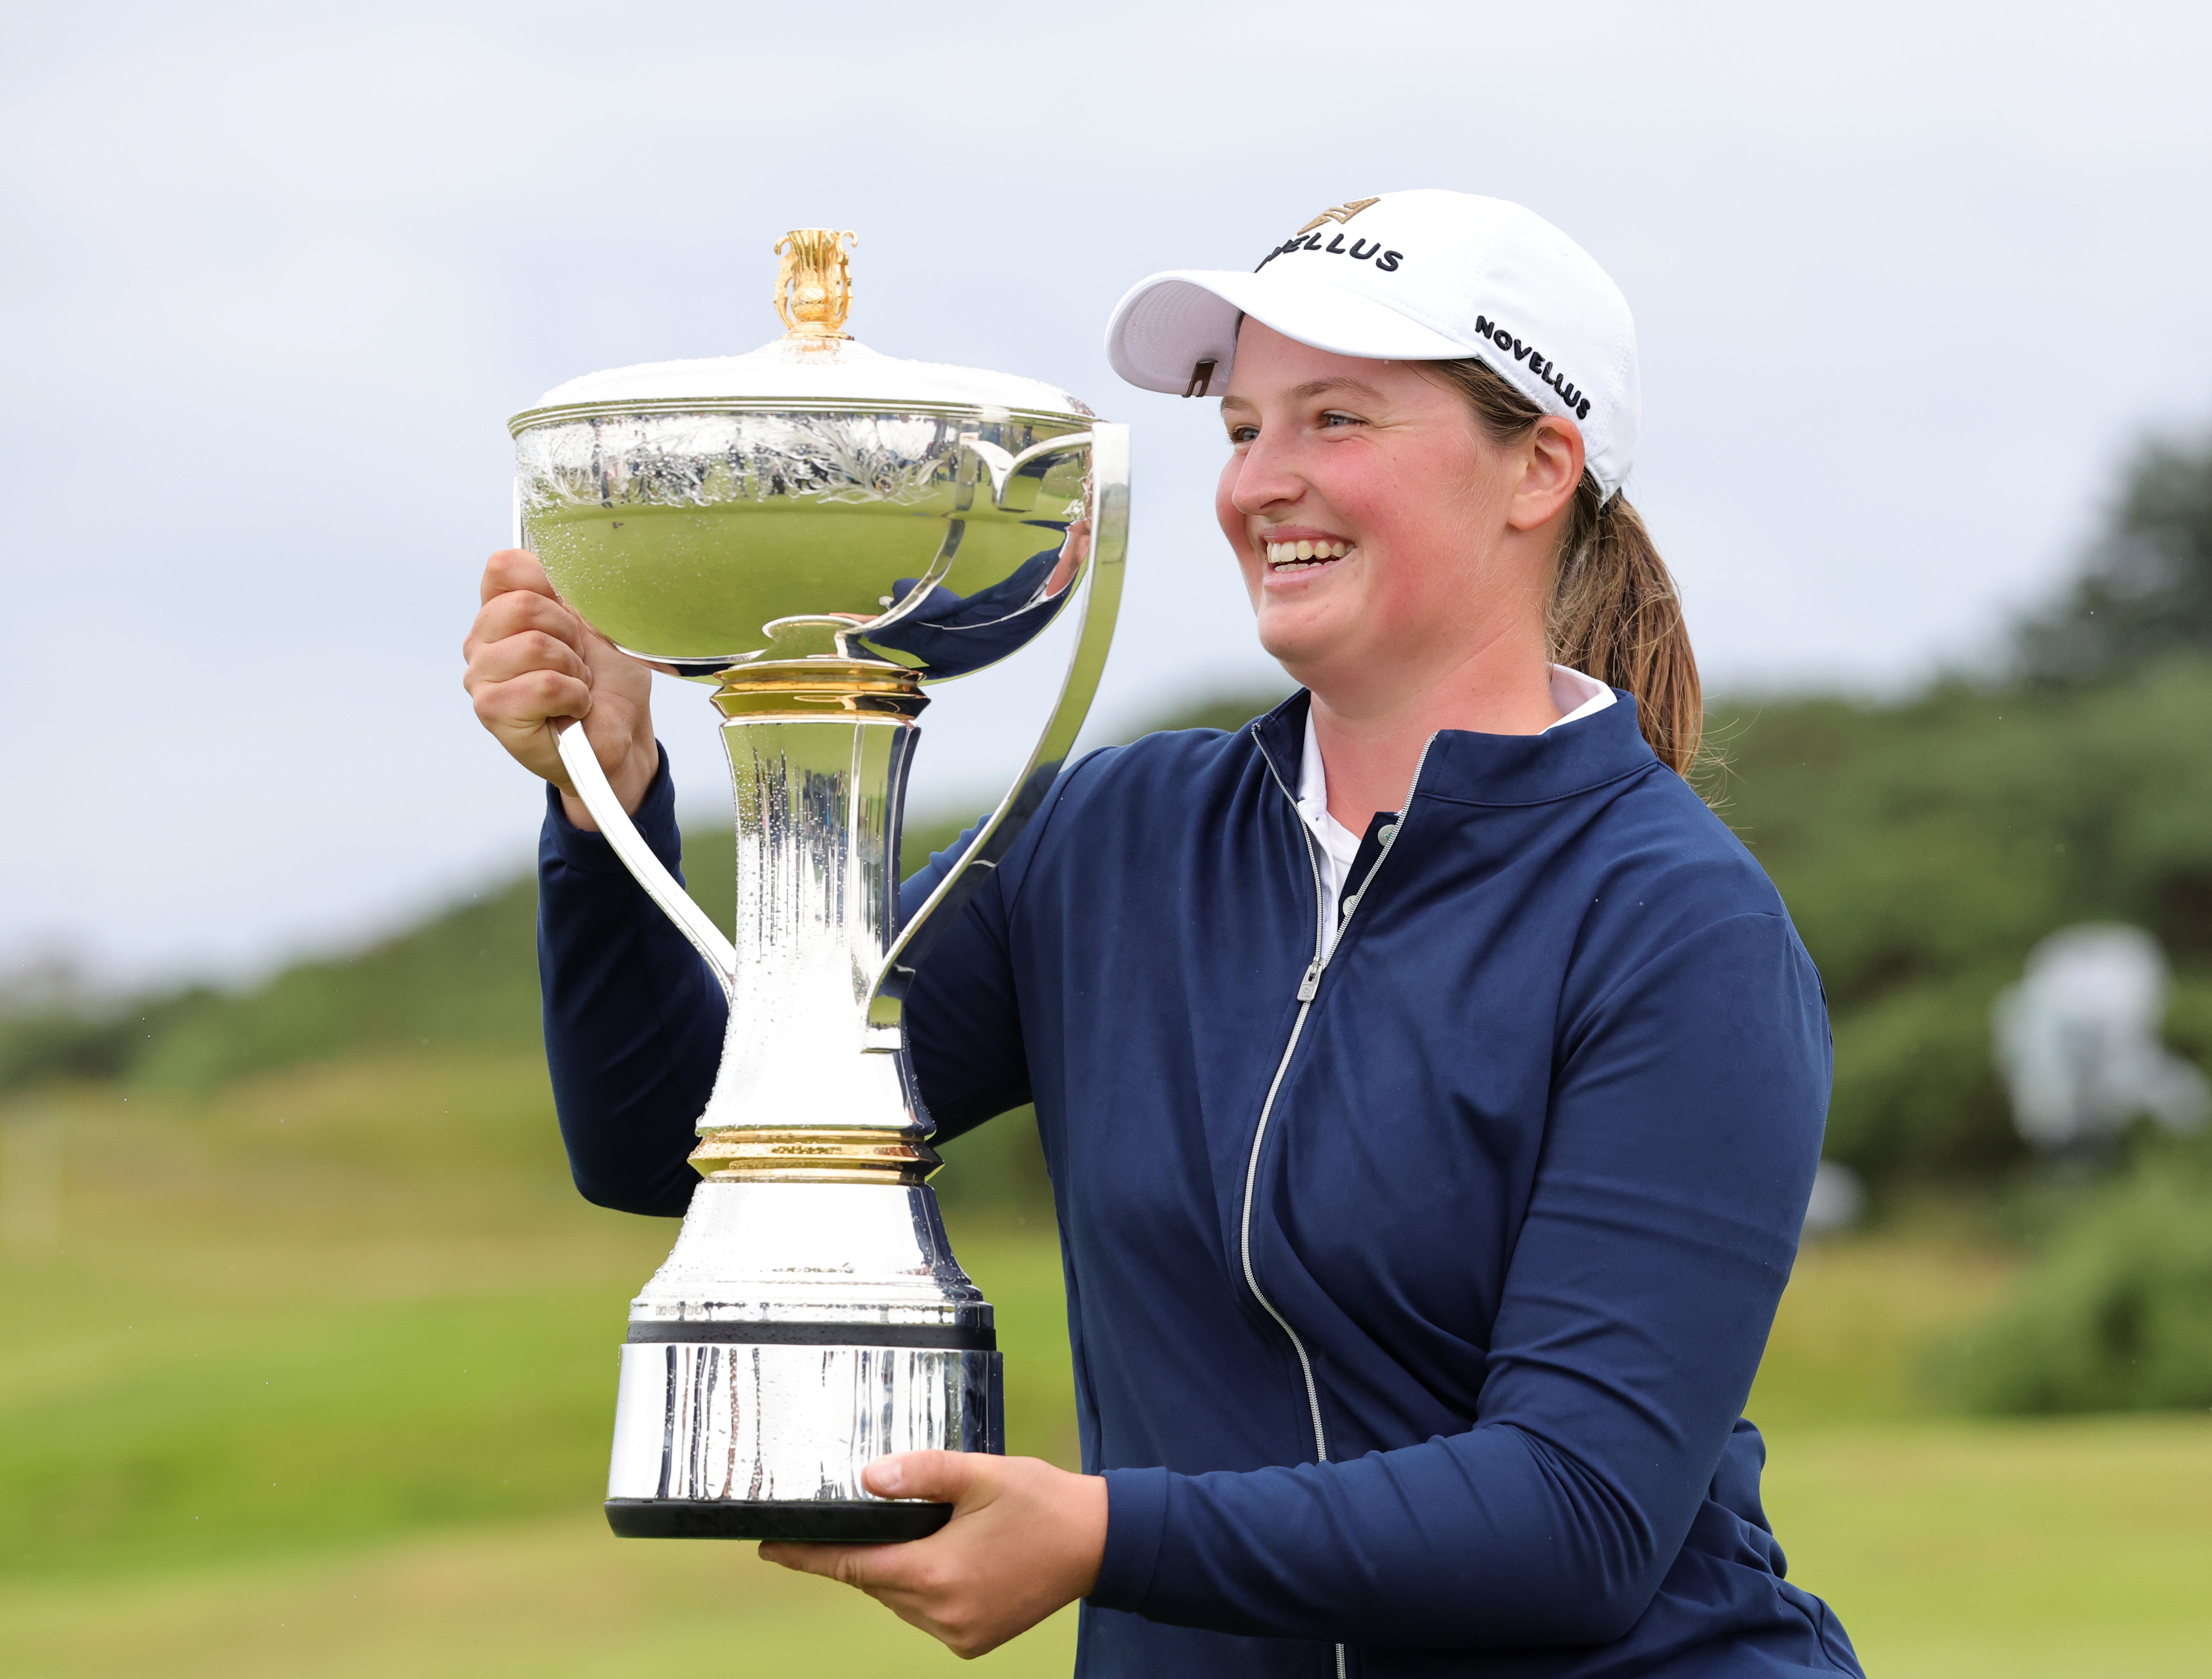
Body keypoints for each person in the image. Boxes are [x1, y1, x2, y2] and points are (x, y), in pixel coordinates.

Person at [462, 189, 1860, 1678]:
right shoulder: (1107, 842)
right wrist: (608, 810)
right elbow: (664, 1141)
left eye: (1338, 421)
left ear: (1539, 468)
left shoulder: (1675, 925)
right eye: (1244, 428)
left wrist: (1107, 1538)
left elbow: (1575, 1521)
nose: (1266, 482)